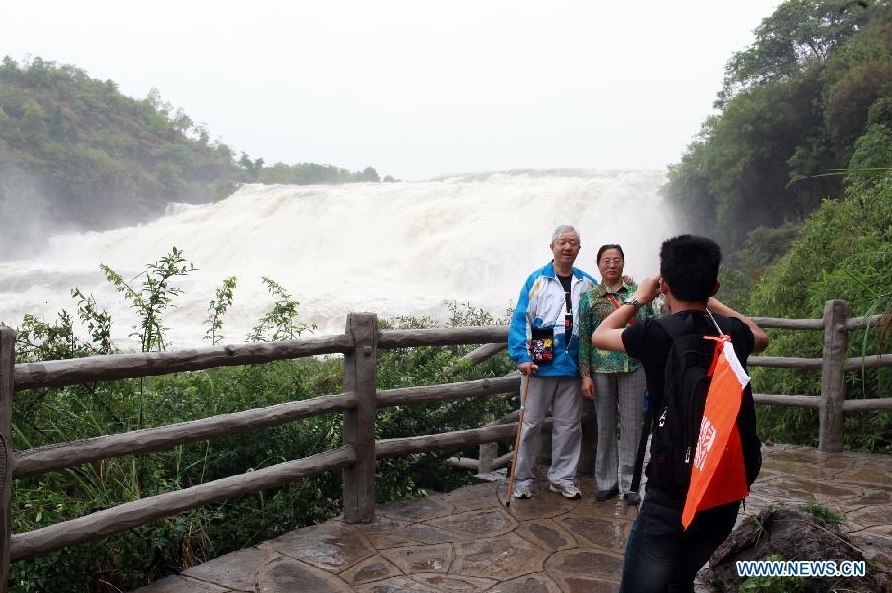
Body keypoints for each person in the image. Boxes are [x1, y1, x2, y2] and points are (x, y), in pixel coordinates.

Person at [592, 234, 769, 593]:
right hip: (723, 483)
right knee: (680, 577)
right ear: (714, 286)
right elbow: (760, 335)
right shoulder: (732, 333)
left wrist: (640, 297)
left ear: (665, 286)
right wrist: (712, 302)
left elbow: (600, 334)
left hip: (673, 486)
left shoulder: (656, 333)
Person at [507, 224, 598, 499]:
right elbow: (521, 318)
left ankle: (562, 477)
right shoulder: (537, 280)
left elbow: (604, 312)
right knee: (530, 423)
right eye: (562, 242)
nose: (567, 247)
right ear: (552, 247)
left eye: (573, 243)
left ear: (579, 249)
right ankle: (522, 478)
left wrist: (628, 285)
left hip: (572, 365)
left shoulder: (588, 283)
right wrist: (521, 356)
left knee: (569, 425)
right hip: (538, 364)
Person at [578, 244, 655, 505]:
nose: (612, 265)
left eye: (617, 260)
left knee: (632, 425)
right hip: (601, 369)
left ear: (623, 263)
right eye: (606, 260)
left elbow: (649, 327)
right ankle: (607, 482)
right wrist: (585, 375)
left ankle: (630, 484)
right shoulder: (589, 298)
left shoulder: (637, 292)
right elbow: (585, 340)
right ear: (598, 265)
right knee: (606, 425)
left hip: (633, 366)